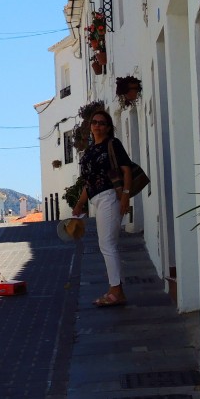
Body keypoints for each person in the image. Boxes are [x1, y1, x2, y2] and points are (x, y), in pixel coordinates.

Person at [72, 108, 133, 307]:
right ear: (90, 127)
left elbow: (126, 170)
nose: (97, 125)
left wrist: (125, 196)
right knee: (106, 244)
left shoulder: (112, 144)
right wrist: (80, 203)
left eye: (101, 123)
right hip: (97, 199)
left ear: (108, 128)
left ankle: (116, 291)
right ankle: (116, 289)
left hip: (110, 196)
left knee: (107, 244)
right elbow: (88, 182)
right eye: (94, 122)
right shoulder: (89, 152)